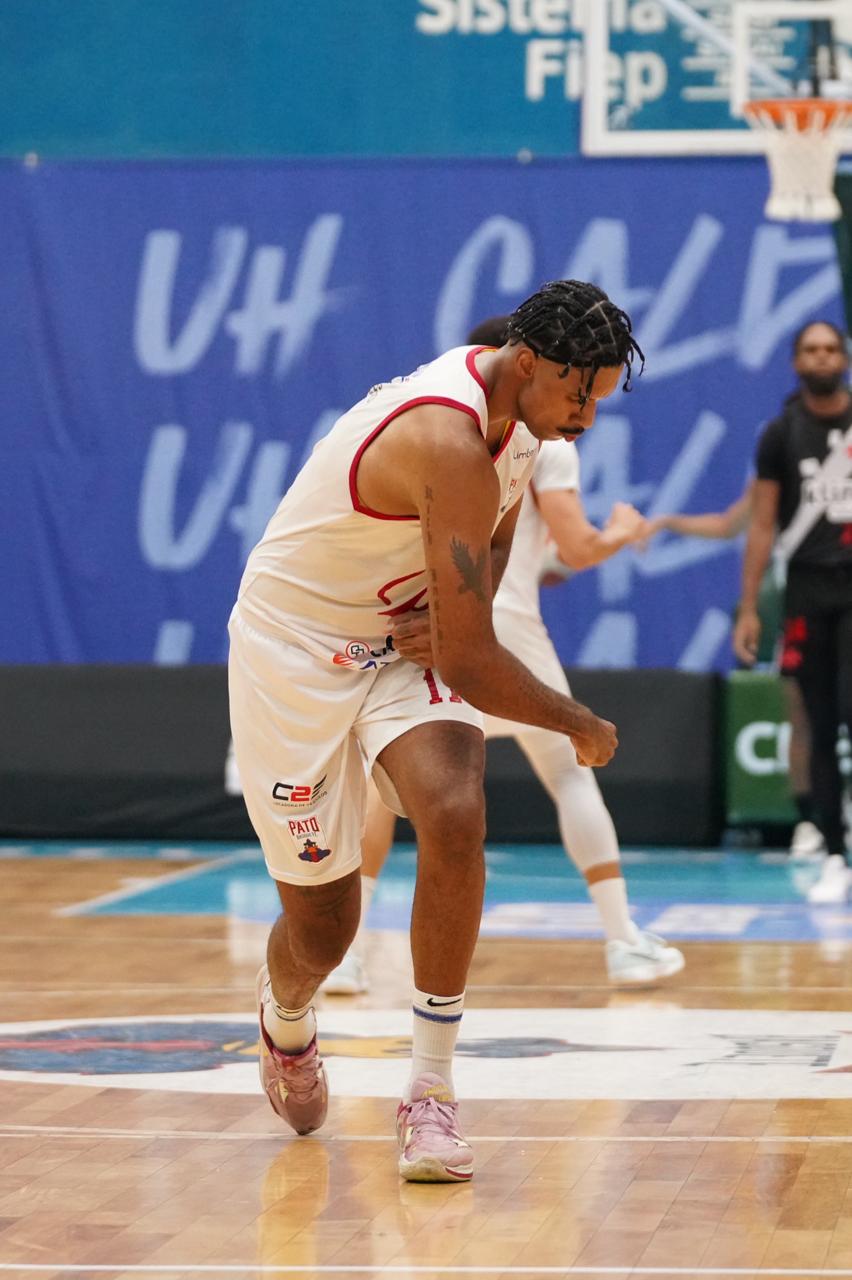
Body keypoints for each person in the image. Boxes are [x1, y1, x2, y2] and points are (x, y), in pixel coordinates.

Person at [228, 280, 644, 1183]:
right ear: (528, 362)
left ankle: (431, 1092)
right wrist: (578, 722)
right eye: (580, 395)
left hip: (395, 641)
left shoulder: (522, 426)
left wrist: (460, 614)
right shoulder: (445, 436)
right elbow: (472, 664)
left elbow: (491, 542)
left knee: (455, 812)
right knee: (325, 928)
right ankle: (286, 1022)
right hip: (294, 649)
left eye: (600, 400)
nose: (587, 418)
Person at [322, 315, 684, 998]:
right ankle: (623, 941)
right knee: (571, 772)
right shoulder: (539, 435)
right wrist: (621, 532)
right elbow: (576, 546)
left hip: (435, 616)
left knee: (381, 790)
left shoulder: (446, 424)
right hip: (494, 627)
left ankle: (347, 957)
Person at [733, 320, 852, 903]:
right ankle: (833, 852)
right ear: (795, 362)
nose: (822, 357)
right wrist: (749, 607)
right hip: (807, 590)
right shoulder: (780, 434)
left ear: (844, 358)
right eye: (811, 349)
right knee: (821, 723)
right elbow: (761, 525)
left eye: (831, 348)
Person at [648, 483, 825, 861]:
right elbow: (728, 524)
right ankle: (810, 820)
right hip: (804, 609)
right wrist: (667, 522)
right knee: (801, 717)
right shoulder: (781, 467)